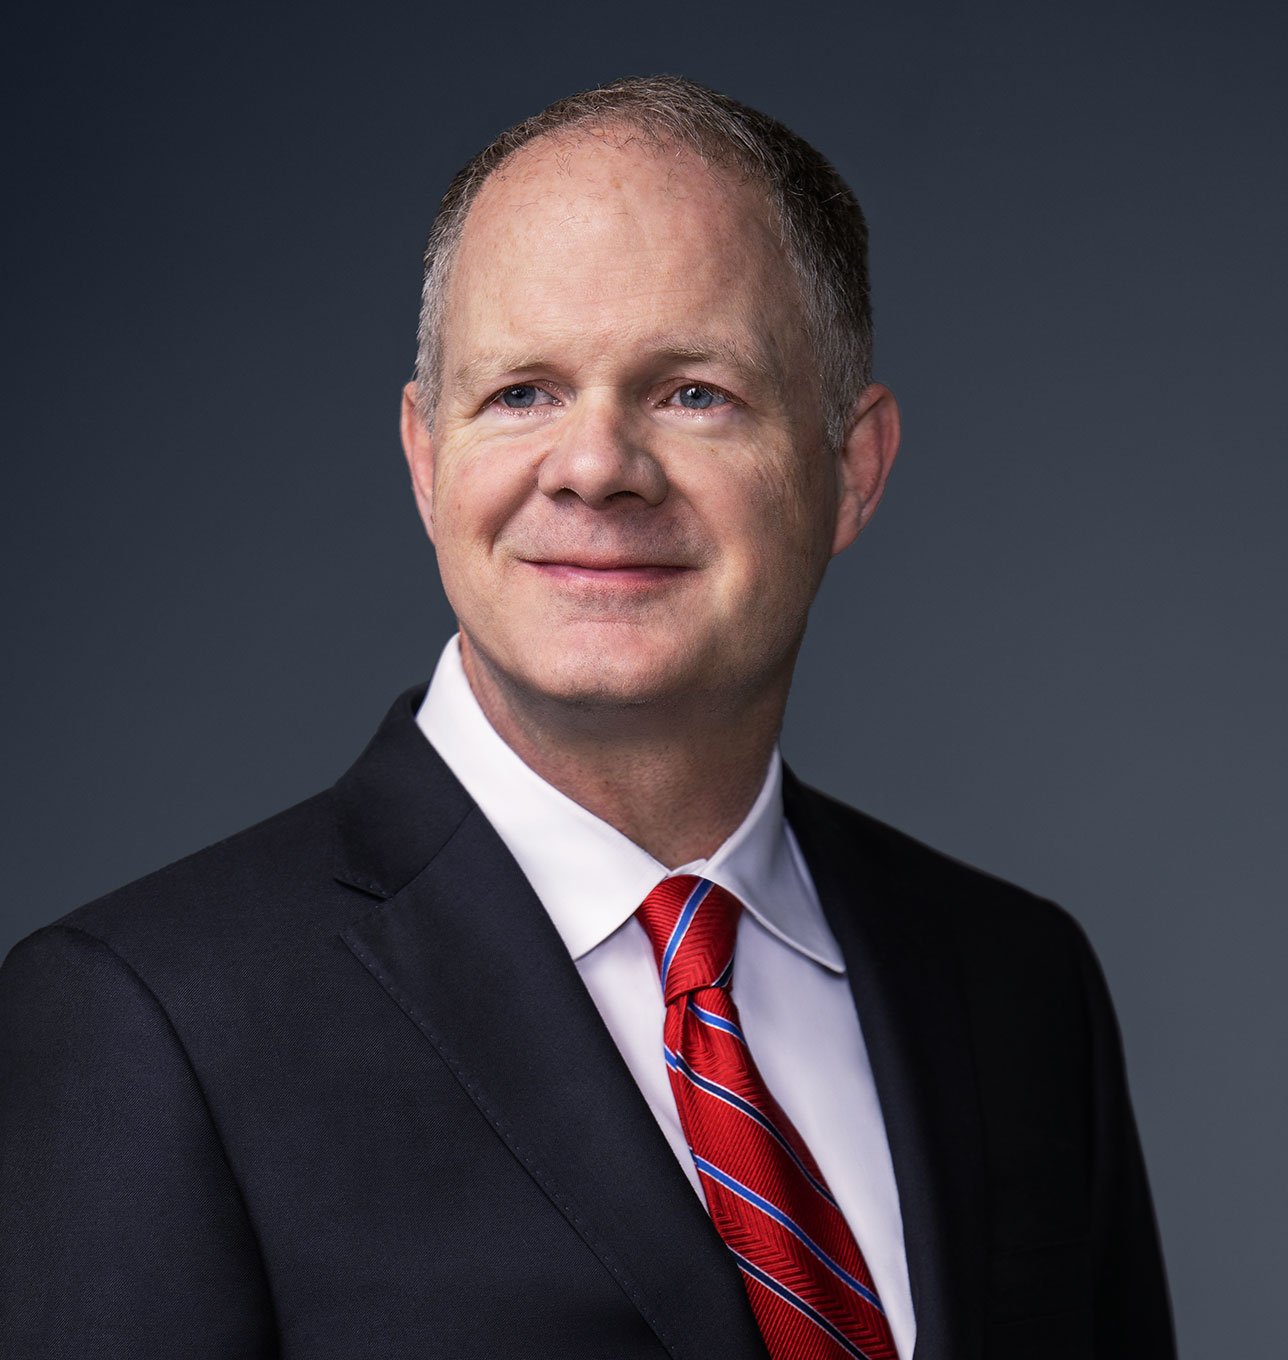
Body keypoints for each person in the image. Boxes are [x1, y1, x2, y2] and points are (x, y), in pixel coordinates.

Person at [0, 76, 1174, 1359]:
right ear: (425, 458)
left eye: (693, 391)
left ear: (852, 466)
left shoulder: (1019, 985)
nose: (597, 465)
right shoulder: (148, 1022)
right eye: (521, 392)